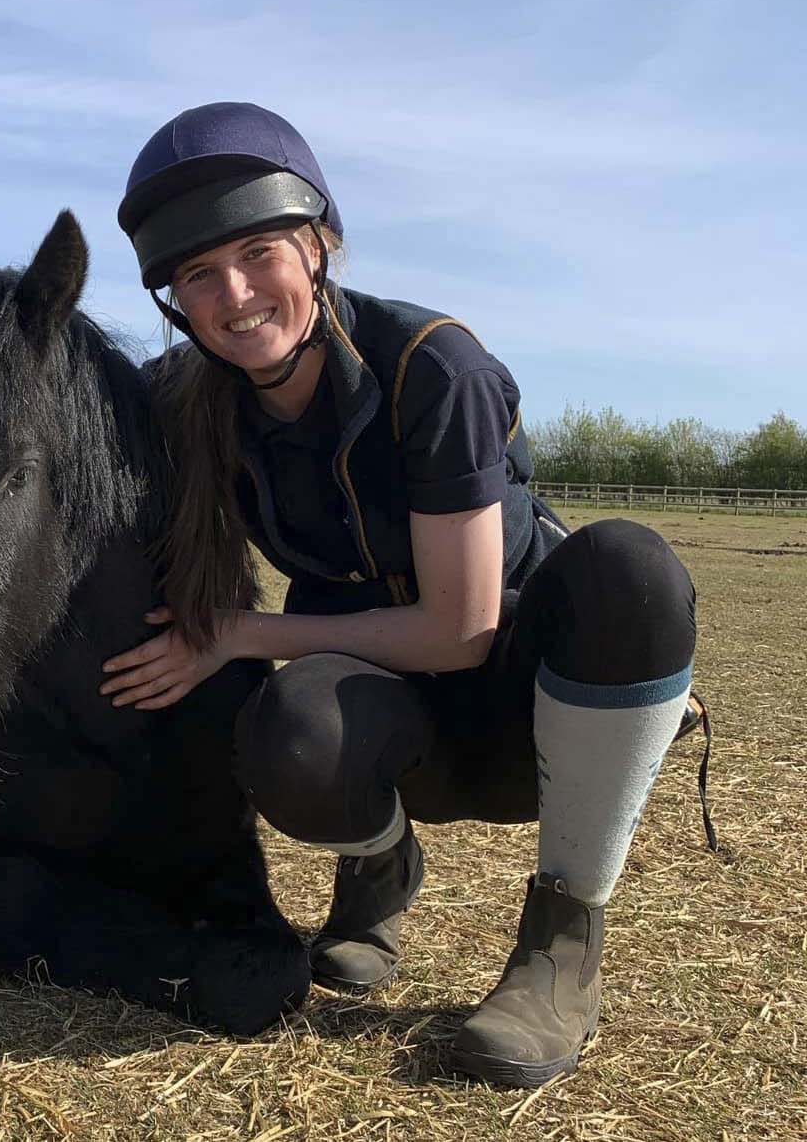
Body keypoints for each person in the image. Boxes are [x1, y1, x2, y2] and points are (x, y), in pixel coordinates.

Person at [100, 102, 706, 1086]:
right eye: (197, 275)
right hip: (392, 717)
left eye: (259, 252)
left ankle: (562, 939)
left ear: (321, 242)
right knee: (289, 727)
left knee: (629, 567)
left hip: (524, 701)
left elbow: (462, 631)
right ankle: (379, 867)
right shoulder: (183, 398)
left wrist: (239, 631)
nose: (235, 293)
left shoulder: (434, 366)